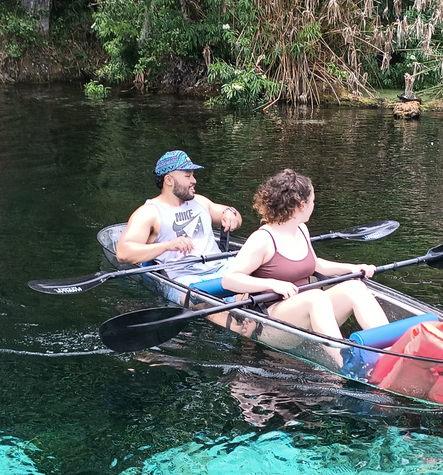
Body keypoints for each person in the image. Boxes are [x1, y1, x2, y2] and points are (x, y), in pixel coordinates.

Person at [221, 169, 388, 365]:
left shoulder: (301, 229)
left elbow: (315, 264)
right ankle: (344, 363)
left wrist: (351, 268)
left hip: (306, 311)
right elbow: (229, 279)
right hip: (271, 322)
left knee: (355, 287)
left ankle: (388, 353)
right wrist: (273, 283)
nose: (314, 206)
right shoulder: (263, 239)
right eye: (313, 201)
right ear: (301, 205)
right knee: (315, 297)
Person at [115, 150, 242, 287]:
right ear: (169, 180)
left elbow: (234, 216)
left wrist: (230, 213)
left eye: (192, 176)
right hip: (185, 279)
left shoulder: (200, 201)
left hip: (222, 268)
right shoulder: (149, 213)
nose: (194, 181)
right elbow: (123, 253)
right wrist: (167, 246)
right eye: (188, 176)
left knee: (263, 280)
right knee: (218, 303)